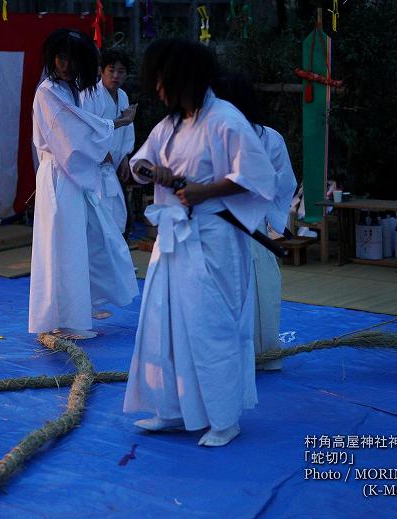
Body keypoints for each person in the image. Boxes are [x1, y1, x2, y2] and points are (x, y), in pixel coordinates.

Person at [123, 39, 276, 447]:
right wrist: (150, 170)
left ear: (181, 78)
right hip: (173, 240)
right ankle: (172, 409)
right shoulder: (170, 125)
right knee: (164, 324)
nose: (156, 90)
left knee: (213, 328)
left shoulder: (225, 120)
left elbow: (259, 177)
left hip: (213, 239)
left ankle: (225, 419)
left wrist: (205, 191)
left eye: (161, 81)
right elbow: (139, 162)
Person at [29, 29, 138, 338]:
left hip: (77, 176)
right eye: (61, 57)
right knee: (63, 245)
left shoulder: (71, 90)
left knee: (86, 241)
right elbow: (74, 133)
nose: (65, 64)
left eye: (71, 58)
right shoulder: (48, 91)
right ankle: (61, 317)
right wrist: (118, 122)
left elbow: (82, 129)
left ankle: (78, 311)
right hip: (60, 177)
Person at [215, 72, 297, 371]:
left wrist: (271, 216)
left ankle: (260, 353)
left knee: (258, 287)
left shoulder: (268, 138)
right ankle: (227, 356)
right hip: (217, 225)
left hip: (251, 225)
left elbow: (283, 181)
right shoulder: (211, 135)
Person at [80, 48, 136, 234]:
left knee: (118, 216)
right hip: (94, 166)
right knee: (98, 218)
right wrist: (100, 150)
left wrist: (126, 156)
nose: (116, 76)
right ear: (101, 71)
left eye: (121, 71)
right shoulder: (89, 95)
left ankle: (116, 260)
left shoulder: (123, 96)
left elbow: (127, 128)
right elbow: (84, 129)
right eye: (111, 70)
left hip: (115, 164)